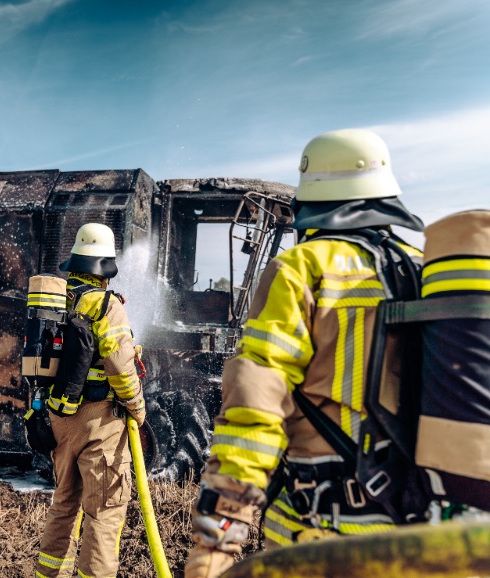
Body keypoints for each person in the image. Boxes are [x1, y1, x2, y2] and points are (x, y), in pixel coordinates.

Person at [185, 128, 426, 577]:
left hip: (322, 537)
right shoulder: (422, 268)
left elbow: (253, 418)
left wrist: (215, 547)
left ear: (312, 196)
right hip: (417, 536)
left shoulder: (303, 268)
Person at [36, 222, 146, 578]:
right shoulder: (105, 305)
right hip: (100, 423)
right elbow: (118, 364)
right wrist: (137, 408)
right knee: (104, 513)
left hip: (60, 416)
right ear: (105, 269)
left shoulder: (57, 301)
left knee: (64, 504)